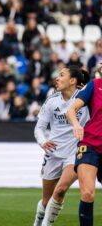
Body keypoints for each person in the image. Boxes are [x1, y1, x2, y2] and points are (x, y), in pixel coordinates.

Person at [33, 67, 90, 226]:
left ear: (72, 81)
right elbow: (39, 128)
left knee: (60, 190)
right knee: (46, 201)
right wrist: (43, 142)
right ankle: (37, 222)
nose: (57, 78)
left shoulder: (85, 99)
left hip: (74, 153)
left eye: (61, 75)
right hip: (53, 153)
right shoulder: (52, 100)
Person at [67, 63, 102, 226]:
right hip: (90, 144)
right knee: (87, 193)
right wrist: (76, 125)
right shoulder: (94, 86)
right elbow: (71, 110)